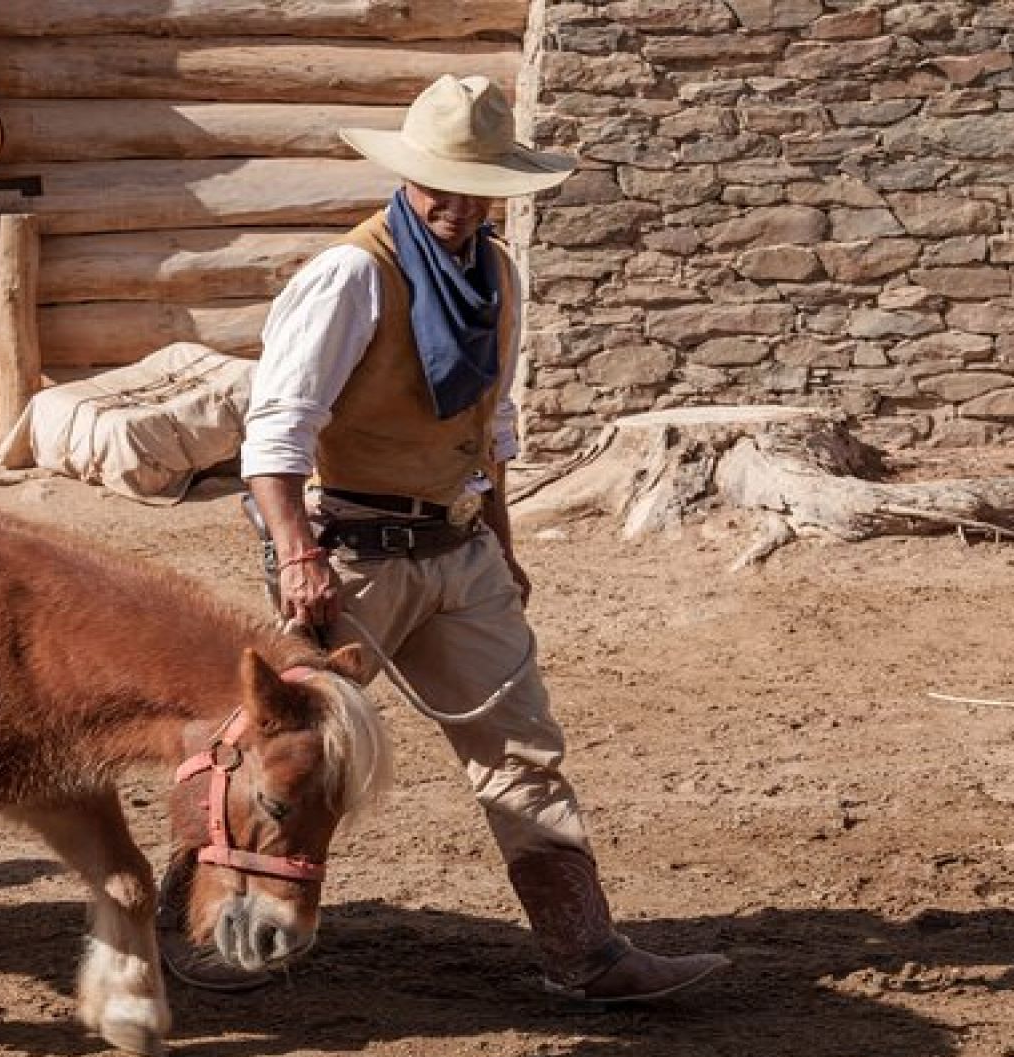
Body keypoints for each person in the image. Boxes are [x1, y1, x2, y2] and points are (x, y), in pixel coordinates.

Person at [241, 75, 729, 1003]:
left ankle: (586, 956)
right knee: (293, 751)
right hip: (352, 557)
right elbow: (276, 432)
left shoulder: (495, 273)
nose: (457, 206)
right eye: (440, 185)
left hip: (460, 550)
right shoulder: (351, 274)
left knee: (521, 751)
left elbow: (489, 422)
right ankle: (214, 928)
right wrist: (299, 553)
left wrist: (500, 540)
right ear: (406, 177)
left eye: (476, 188)